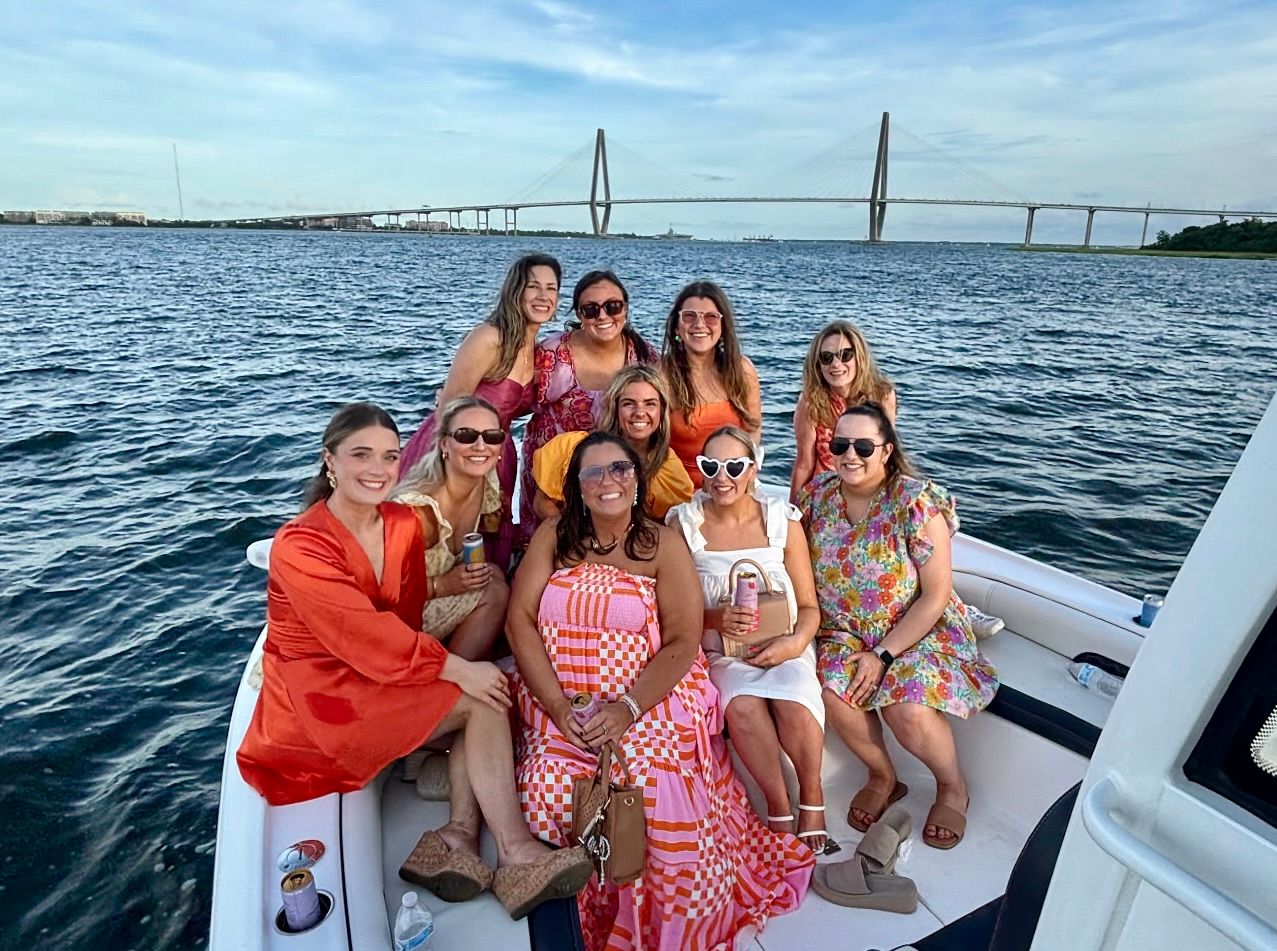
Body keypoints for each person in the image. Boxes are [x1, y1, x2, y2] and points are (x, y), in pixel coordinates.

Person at [236, 402, 591, 918]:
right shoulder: (301, 546)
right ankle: (507, 849)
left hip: (378, 682)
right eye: (361, 455)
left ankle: (467, 842)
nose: (378, 469)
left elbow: (406, 611)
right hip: (320, 709)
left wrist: (446, 674)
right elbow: (367, 634)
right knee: (481, 688)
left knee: (489, 693)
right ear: (330, 461)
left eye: (389, 456)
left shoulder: (399, 525)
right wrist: (456, 668)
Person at [508, 432, 812, 950]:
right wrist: (558, 707)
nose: (609, 481)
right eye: (594, 472)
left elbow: (682, 640)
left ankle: (654, 925)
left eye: (621, 469)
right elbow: (519, 621)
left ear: (637, 480)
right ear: (577, 487)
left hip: (650, 697)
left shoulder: (661, 545)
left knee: (655, 797)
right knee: (545, 792)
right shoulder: (553, 537)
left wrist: (627, 708)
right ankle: (589, 909)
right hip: (562, 705)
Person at [798, 402, 998, 851]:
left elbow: (936, 595)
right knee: (833, 690)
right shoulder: (818, 498)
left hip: (914, 628)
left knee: (904, 708)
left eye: (863, 445)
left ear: (886, 450)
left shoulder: (915, 502)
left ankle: (951, 786)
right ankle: (884, 775)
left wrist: (883, 654)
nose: (851, 454)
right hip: (844, 631)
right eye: (841, 444)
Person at [666, 426, 830, 853]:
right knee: (740, 705)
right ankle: (777, 802)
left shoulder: (782, 520)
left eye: (735, 466)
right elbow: (676, 613)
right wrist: (719, 619)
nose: (723, 477)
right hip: (721, 652)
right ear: (700, 470)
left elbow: (811, 608)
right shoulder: (683, 525)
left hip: (787, 644)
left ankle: (812, 795)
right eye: (711, 466)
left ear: (753, 469)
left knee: (794, 697)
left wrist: (794, 646)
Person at [398, 253, 562, 569]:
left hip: (498, 451)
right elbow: (449, 404)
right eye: (533, 287)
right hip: (460, 445)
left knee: (484, 541)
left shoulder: (536, 348)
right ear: (516, 291)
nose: (543, 296)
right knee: (438, 536)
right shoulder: (490, 338)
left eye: (551, 288)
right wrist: (448, 465)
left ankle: (480, 600)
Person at [520, 269, 656, 529]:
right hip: (551, 482)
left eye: (613, 306)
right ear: (580, 314)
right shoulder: (553, 352)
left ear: (625, 309)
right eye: (591, 309)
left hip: (610, 479)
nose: (603, 316)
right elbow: (516, 399)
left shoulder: (644, 356)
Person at [392, 396, 509, 660]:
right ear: (444, 443)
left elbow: (490, 528)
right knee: (495, 593)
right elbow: (375, 591)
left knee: (494, 574)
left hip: (426, 599)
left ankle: (453, 660)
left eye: (492, 436)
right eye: (466, 435)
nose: (481, 446)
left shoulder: (484, 480)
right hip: (393, 619)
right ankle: (453, 683)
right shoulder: (416, 513)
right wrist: (441, 585)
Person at [530, 364, 693, 524]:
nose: (640, 413)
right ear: (615, 408)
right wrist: (575, 537)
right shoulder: (573, 448)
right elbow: (542, 503)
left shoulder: (668, 468)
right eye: (629, 403)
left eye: (650, 404)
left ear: (661, 410)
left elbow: (668, 524)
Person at [661, 281, 762, 489]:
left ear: (723, 326)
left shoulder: (742, 370)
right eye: (689, 316)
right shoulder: (662, 375)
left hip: (732, 487)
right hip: (678, 491)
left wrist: (741, 481)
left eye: (711, 317)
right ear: (677, 325)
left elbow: (753, 430)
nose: (699, 325)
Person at [790, 319, 897, 503]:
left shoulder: (883, 396)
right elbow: (804, 464)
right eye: (827, 357)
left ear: (859, 357)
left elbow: (888, 457)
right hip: (826, 498)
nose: (836, 364)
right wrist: (792, 516)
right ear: (818, 364)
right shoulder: (810, 403)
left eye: (845, 355)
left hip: (871, 495)